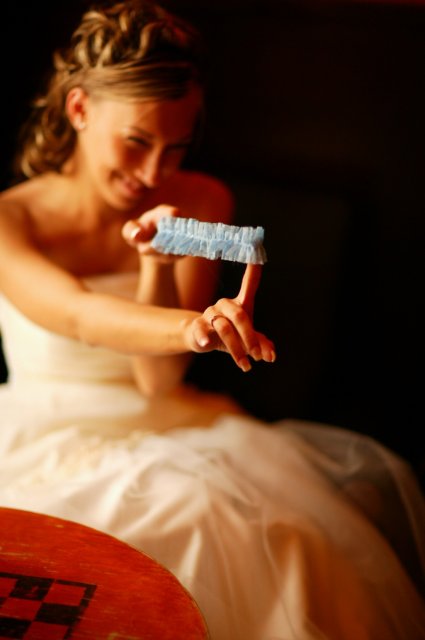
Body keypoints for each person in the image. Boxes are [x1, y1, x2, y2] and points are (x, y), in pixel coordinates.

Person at [0, 1, 424, 638]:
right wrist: (193, 327)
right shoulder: (11, 220)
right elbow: (80, 316)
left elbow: (156, 382)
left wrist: (156, 266)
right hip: (38, 435)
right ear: (80, 109)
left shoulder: (201, 200)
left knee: (259, 532)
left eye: (175, 148)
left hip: (168, 424)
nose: (153, 173)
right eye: (137, 141)